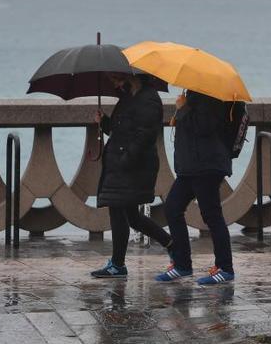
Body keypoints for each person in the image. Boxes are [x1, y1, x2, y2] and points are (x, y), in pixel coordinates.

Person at [90, 73, 173, 278]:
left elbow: (145, 135)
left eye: (116, 78)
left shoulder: (149, 99)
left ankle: (118, 264)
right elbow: (121, 132)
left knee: (119, 212)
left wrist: (126, 159)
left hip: (133, 167)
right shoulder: (127, 98)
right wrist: (105, 122)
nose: (113, 82)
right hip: (120, 165)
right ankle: (172, 244)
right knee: (132, 217)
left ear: (131, 77)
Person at [156, 90, 235, 284]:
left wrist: (182, 110)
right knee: (173, 208)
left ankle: (225, 268)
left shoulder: (211, 96)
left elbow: (204, 127)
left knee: (212, 215)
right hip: (191, 167)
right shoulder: (193, 95)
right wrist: (183, 109)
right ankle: (182, 264)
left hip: (206, 166)